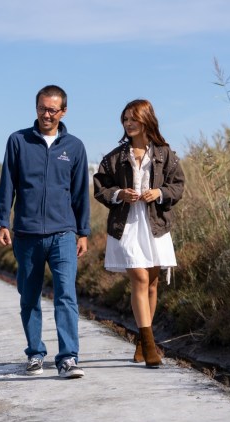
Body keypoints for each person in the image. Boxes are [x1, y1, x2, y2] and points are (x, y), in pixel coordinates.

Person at [0, 85, 90, 379]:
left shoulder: (74, 147)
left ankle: (68, 358)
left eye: (52, 110)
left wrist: (83, 232)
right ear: (35, 108)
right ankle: (35, 353)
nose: (46, 115)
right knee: (29, 297)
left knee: (66, 295)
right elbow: (7, 184)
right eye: (41, 108)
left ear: (63, 112)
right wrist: (2, 222)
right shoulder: (18, 141)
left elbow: (80, 193)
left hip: (63, 233)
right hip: (27, 234)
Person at [93, 99, 184, 368]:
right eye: (125, 119)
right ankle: (150, 346)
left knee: (153, 283)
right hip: (127, 226)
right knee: (141, 278)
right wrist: (120, 194)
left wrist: (160, 193)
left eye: (133, 119)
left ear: (146, 120)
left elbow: (177, 187)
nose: (128, 124)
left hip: (155, 224)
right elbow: (100, 188)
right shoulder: (114, 157)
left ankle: (141, 344)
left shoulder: (165, 154)